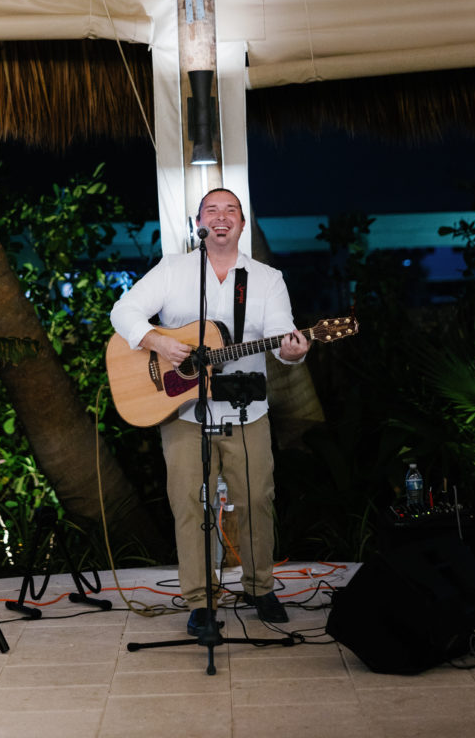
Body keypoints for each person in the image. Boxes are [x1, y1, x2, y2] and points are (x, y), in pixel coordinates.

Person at [110, 188, 310, 635]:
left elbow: (281, 337)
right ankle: (201, 600)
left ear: (241, 224)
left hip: (246, 411)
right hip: (184, 413)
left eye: (231, 211)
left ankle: (260, 588)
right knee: (189, 506)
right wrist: (158, 342)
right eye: (212, 211)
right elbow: (123, 311)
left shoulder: (266, 278)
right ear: (198, 222)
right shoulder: (174, 270)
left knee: (257, 500)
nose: (222, 218)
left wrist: (294, 350)